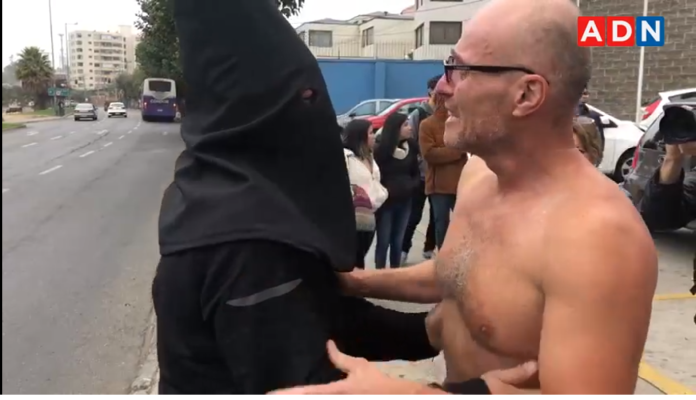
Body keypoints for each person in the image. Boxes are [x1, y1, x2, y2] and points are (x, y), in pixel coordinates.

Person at [278, 0, 657, 394]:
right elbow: (458, 275)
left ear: (526, 94)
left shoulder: (599, 237)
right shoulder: (479, 176)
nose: (441, 88)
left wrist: (408, 394)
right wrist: (355, 282)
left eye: (460, 70)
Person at [153, 0, 444, 394]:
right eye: (306, 98)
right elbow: (309, 381)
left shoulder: (218, 192)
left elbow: (317, 316)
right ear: (260, 114)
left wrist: (427, 332)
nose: (318, 116)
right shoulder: (247, 241)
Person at [419, 91, 468, 250]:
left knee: (465, 223)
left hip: (461, 183)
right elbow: (429, 154)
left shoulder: (461, 123)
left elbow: (469, 145)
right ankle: (443, 255)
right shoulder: (427, 125)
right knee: (441, 224)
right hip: (438, 186)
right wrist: (457, 151)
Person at [373, 113, 420, 269]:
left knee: (398, 240)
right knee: (383, 241)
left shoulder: (411, 147)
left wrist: (410, 185)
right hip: (386, 203)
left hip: (405, 201)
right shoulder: (380, 150)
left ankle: (395, 271)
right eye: (405, 125)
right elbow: (375, 176)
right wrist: (387, 190)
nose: (410, 128)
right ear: (395, 128)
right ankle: (379, 274)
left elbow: (415, 172)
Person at [401, 76, 439, 264]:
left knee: (436, 216)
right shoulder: (419, 114)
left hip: (438, 174)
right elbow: (411, 140)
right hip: (421, 174)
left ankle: (429, 248)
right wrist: (418, 161)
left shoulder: (447, 114)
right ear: (431, 91)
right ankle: (403, 249)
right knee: (414, 215)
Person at [342, 119, 388, 268]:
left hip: (372, 214)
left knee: (361, 256)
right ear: (360, 136)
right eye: (370, 133)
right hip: (352, 219)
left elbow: (375, 181)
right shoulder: (346, 158)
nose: (374, 136)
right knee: (353, 260)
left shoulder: (369, 156)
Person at [576, 86, 605, 151]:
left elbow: (599, 137)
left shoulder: (593, 115)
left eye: (585, 94)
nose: (584, 96)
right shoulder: (567, 113)